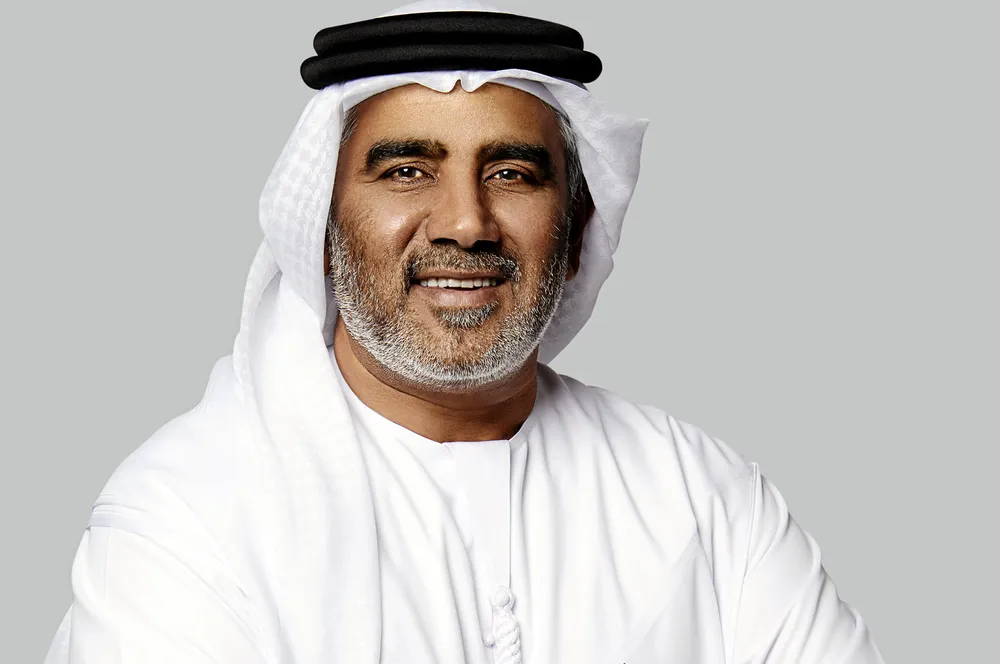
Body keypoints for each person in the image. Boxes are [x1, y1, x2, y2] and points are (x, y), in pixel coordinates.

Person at [45, 2, 885, 663]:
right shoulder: (189, 515)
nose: (467, 223)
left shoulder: (704, 497)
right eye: (407, 170)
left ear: (575, 228)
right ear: (322, 228)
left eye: (512, 173)